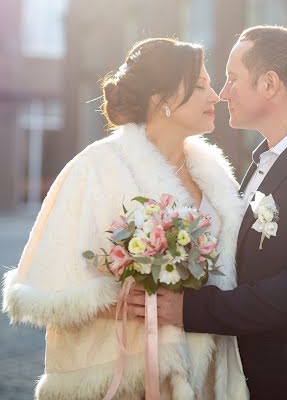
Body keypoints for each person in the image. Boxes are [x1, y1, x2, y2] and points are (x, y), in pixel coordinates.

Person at [2, 38, 249, 400]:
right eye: (200, 86)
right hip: (127, 378)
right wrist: (126, 301)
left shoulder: (216, 177)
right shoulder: (95, 168)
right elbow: (53, 284)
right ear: (159, 98)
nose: (215, 96)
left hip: (208, 376)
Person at [142, 26, 287, 400]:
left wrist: (190, 309)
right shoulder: (263, 162)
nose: (222, 93)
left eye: (233, 78)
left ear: (269, 84)